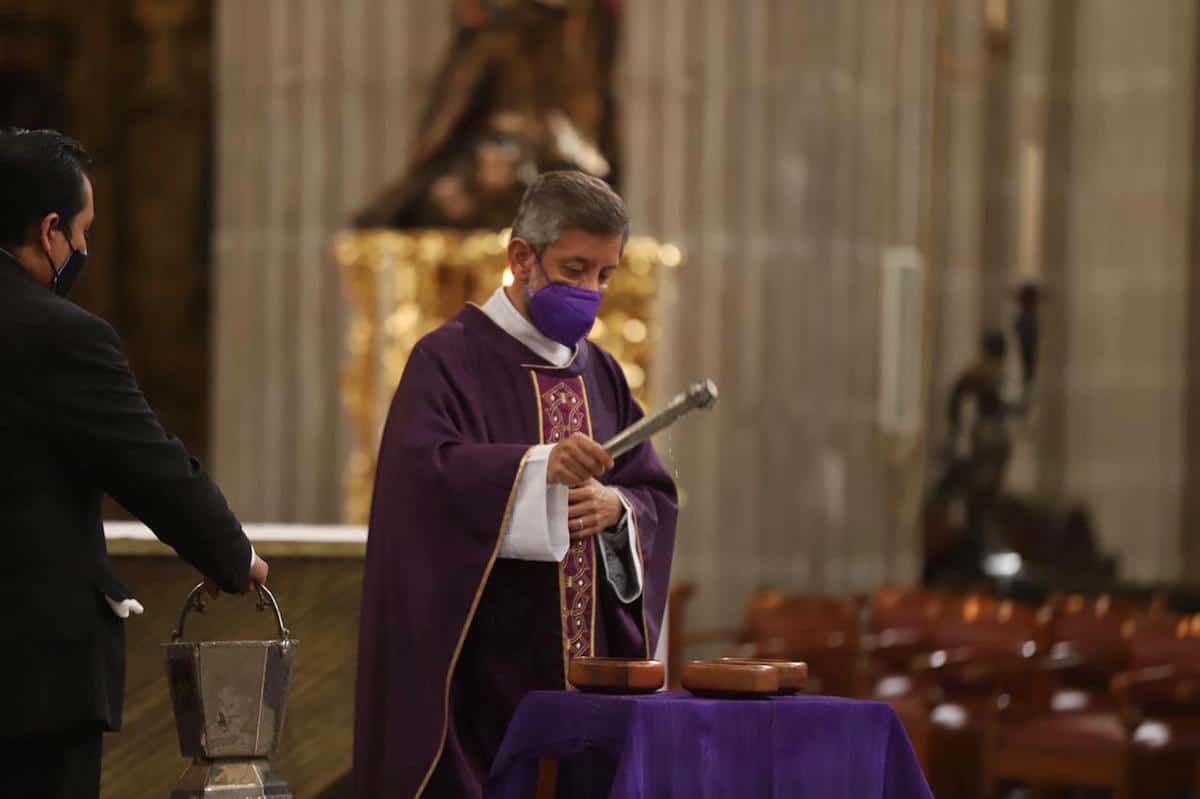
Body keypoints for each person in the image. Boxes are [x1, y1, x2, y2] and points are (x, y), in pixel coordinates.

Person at [354, 171, 678, 798]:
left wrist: (617, 511)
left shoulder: (604, 375)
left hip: (591, 691)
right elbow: (418, 490)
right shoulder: (447, 361)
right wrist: (532, 471)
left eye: (605, 276)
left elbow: (652, 494)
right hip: (483, 686)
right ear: (521, 256)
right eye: (575, 268)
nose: (590, 291)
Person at [0, 128, 269, 798]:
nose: (85, 250)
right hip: (28, 680)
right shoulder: (58, 334)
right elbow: (148, 465)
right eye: (83, 230)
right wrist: (232, 555)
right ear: (51, 228)